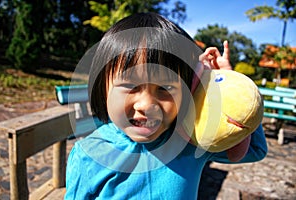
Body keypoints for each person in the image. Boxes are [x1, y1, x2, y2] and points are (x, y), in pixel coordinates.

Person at [65, 12, 267, 200]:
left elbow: (255, 149)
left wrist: (229, 86)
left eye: (166, 88)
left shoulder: (190, 143)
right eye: (129, 86)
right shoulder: (89, 154)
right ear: (102, 86)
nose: (146, 105)